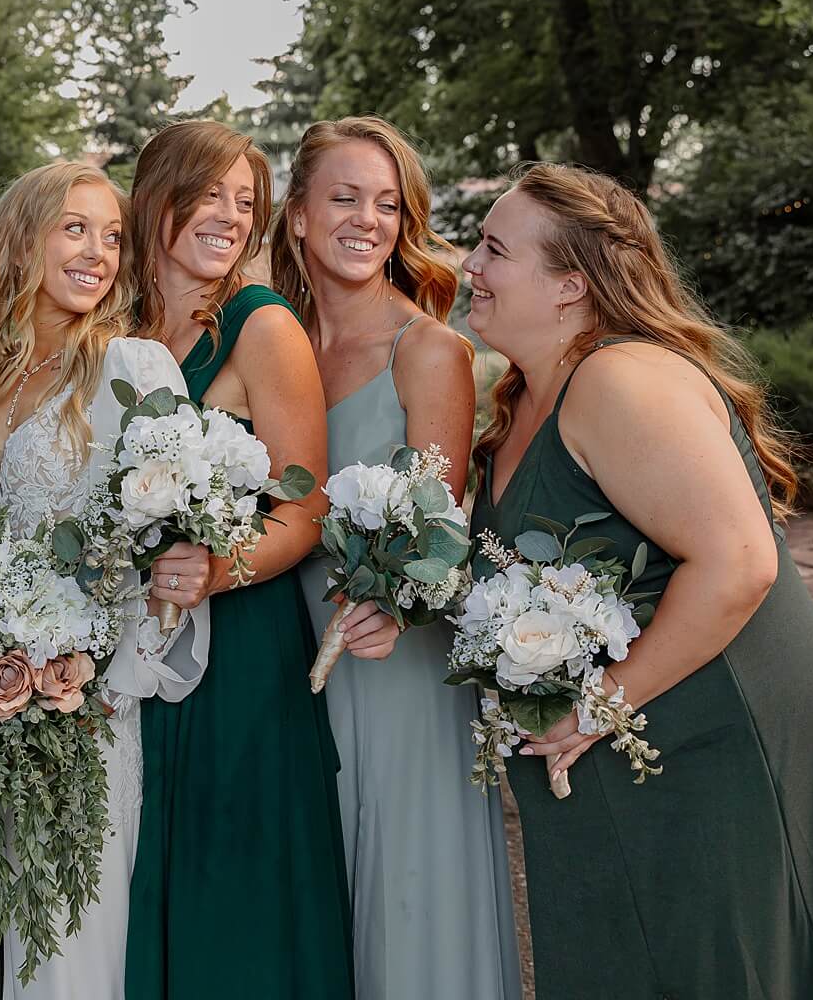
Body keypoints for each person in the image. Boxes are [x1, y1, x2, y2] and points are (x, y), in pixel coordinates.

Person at [464, 162, 813, 998]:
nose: (469, 265)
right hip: (617, 751)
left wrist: (598, 704)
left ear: (569, 286)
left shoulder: (622, 379)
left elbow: (739, 562)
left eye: (493, 248)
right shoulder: (524, 399)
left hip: (712, 737)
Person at [271, 116, 521, 999]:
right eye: (344, 197)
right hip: (283, 655)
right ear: (297, 213)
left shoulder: (430, 350)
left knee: (407, 898)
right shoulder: (278, 342)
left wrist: (393, 603)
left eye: (386, 204)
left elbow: (438, 530)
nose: (366, 220)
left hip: (392, 658)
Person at [0, 161, 209, 998]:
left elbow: (175, 547)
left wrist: (109, 676)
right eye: (75, 227)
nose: (98, 252)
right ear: (22, 236)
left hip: (86, 710)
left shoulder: (134, 366)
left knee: (71, 942)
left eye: (111, 236)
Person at [122, 120, 353, 999]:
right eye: (208, 193)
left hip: (245, 645)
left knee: (239, 884)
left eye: (244, 201)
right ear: (157, 199)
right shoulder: (113, 324)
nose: (228, 215)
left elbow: (305, 506)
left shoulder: (264, 327)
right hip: (129, 644)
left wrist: (221, 571)